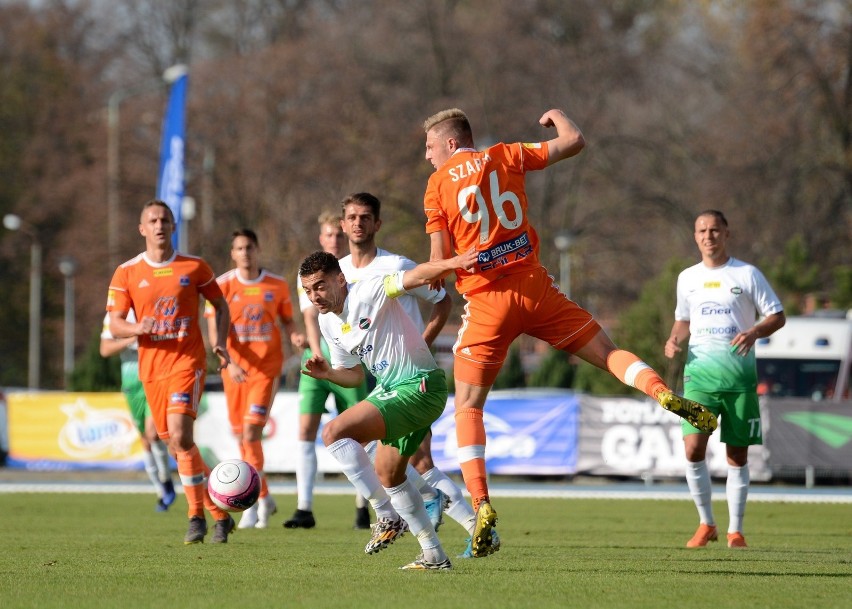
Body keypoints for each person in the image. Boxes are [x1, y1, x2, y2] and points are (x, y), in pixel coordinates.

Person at [421, 107, 718, 558]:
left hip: (486, 303)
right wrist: (556, 115)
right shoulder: (507, 154)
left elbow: (439, 263)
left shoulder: (437, 185)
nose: (426, 158)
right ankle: (660, 393)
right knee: (607, 351)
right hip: (536, 288)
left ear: (448, 143)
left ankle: (481, 504)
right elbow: (574, 141)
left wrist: (433, 273)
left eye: (428, 147)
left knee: (467, 406)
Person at [298, 247, 477, 569]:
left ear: (340, 279)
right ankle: (434, 554)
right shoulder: (328, 324)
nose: (315, 296)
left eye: (321, 286)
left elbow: (417, 276)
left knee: (334, 431)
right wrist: (328, 374)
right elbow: (353, 376)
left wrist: (454, 263)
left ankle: (385, 515)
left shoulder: (370, 289)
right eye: (308, 290)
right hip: (394, 391)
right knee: (389, 474)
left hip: (419, 385)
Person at [337, 192, 483, 554]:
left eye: (365, 217)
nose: (358, 223)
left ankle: (423, 518)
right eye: (352, 217)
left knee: (403, 456)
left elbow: (442, 299)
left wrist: (422, 342)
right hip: (377, 374)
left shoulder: (394, 265)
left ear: (377, 224)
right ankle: (473, 526)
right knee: (403, 459)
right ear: (343, 224)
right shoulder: (337, 274)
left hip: (409, 376)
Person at [106, 199, 241, 544]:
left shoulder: (194, 266)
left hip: (186, 363)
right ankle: (219, 512)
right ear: (142, 228)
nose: (159, 225)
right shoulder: (127, 272)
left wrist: (220, 342)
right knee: (176, 447)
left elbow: (220, 304)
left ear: (173, 226)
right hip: (150, 371)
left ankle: (195, 517)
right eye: (152, 220)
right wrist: (137, 329)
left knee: (181, 437)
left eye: (165, 219)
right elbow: (115, 324)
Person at [664, 209, 785, 549]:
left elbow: (777, 315)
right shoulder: (687, 278)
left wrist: (755, 331)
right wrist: (675, 339)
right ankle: (706, 524)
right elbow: (682, 319)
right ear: (695, 236)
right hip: (699, 376)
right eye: (702, 230)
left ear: (726, 234)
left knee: (737, 456)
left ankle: (736, 530)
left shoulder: (747, 274)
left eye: (715, 230)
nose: (708, 236)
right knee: (692, 449)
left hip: (738, 379)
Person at [205, 229, 300, 529]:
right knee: (242, 439)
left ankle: (251, 504)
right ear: (233, 253)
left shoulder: (276, 284)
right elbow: (214, 335)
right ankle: (265, 496)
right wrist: (227, 362)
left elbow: (287, 320)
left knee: (249, 435)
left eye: (249, 247)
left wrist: (294, 335)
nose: (245, 252)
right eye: (239, 248)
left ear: (257, 250)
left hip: (265, 371)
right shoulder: (221, 286)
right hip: (234, 372)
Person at [286, 210, 371, 530]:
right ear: (321, 238)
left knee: (360, 434)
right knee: (306, 431)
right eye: (328, 235)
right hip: (317, 360)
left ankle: (363, 506)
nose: (334, 239)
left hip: (349, 360)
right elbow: (310, 317)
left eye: (339, 234)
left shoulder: (352, 270)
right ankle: (304, 507)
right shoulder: (307, 274)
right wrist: (315, 353)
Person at [100, 310, 176, 512]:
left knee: (154, 433)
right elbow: (105, 350)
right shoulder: (116, 316)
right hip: (131, 381)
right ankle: (162, 489)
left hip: (155, 376)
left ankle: (166, 479)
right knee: (144, 438)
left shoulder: (154, 308)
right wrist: (134, 337)